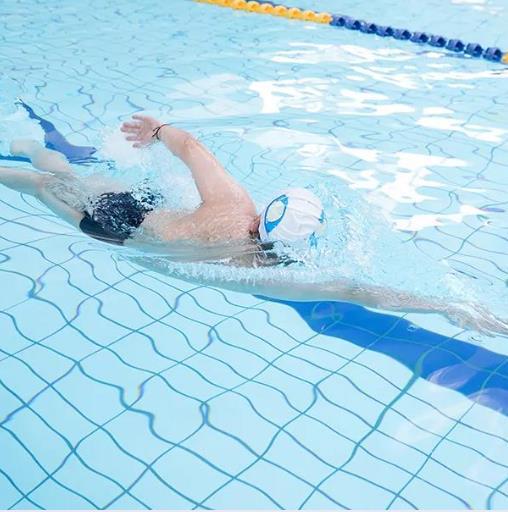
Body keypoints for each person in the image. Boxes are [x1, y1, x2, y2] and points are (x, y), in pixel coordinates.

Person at [0, 115, 507, 334]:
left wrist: (157, 129)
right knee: (46, 186)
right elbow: (361, 291)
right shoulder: (256, 269)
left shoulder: (233, 205)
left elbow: (192, 149)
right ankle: (27, 155)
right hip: (125, 230)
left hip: (139, 208)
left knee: (61, 181)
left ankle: (31, 148)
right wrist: (449, 306)